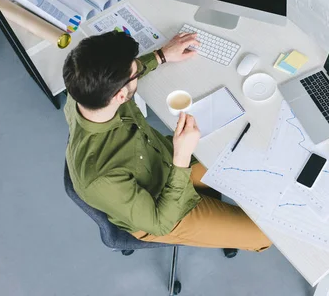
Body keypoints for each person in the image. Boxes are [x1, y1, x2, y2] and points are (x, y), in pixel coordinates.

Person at [63, 31, 271, 254]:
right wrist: (181, 157)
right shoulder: (99, 178)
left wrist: (161, 55)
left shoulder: (84, 87)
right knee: (265, 234)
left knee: (254, 166)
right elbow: (160, 223)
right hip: (163, 208)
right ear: (120, 97)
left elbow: (121, 75)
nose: (139, 69)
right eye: (135, 73)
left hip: (161, 158)